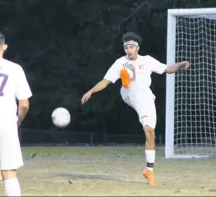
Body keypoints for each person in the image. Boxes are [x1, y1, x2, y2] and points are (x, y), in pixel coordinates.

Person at [81, 32, 190, 186]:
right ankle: (127, 79)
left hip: (146, 99)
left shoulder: (147, 61)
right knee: (127, 73)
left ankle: (149, 170)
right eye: (126, 47)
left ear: (137, 48)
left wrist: (180, 65)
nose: (128, 50)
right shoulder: (120, 62)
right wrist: (91, 91)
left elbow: (167, 69)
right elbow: (106, 81)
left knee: (150, 131)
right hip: (128, 94)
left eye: (131, 47)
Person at [0, 30, 32, 196]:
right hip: (6, 124)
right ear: (5, 46)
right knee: (9, 173)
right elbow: (24, 103)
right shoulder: (15, 69)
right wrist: (17, 122)